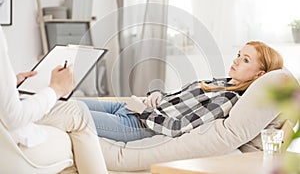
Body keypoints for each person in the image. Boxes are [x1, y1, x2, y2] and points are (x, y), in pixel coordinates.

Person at [81, 41, 283, 142]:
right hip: (133, 109)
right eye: (239, 54)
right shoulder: (223, 83)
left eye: (245, 60)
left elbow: (178, 127)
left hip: (137, 124)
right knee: (68, 103)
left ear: (259, 75)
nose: (236, 60)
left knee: (72, 114)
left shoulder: (229, 98)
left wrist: (143, 111)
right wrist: (157, 94)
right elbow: (176, 99)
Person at [0, 26, 108, 174]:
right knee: (79, 118)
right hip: (10, 146)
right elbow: (14, 118)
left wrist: (9, 84)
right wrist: (55, 90)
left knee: (79, 110)